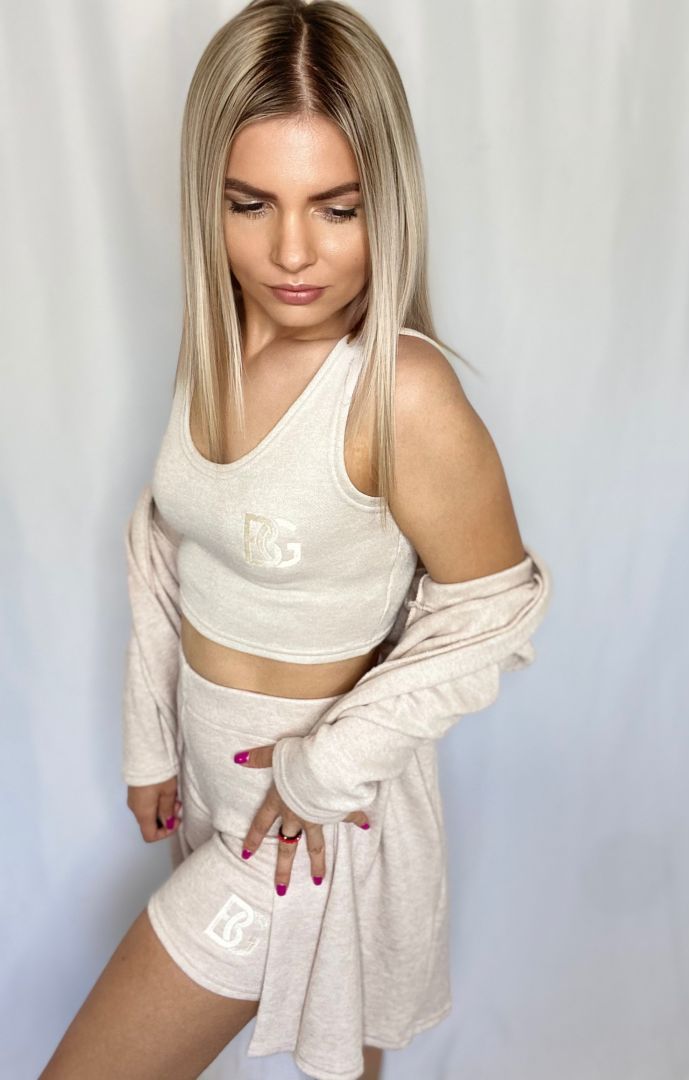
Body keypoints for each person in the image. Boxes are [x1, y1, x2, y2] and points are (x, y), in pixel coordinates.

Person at [40, 2, 551, 1078]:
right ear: (208, 199)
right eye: (250, 204)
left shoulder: (399, 391)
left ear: (388, 202)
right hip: (216, 791)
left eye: (337, 208)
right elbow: (166, 549)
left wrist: (324, 771)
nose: (290, 253)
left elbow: (492, 614)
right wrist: (150, 742)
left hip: (309, 826)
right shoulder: (219, 347)